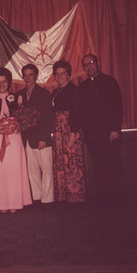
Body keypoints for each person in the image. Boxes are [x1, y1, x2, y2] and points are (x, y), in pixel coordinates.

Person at [0, 67, 32, 213]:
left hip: (14, 137)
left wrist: (17, 126)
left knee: (14, 170)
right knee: (0, 170)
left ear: (9, 83)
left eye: (4, 81)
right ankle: (1, 204)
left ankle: (15, 202)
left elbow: (22, 118)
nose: (1, 84)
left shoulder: (16, 98)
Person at [79, 54, 123, 202]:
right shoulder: (83, 86)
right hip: (92, 136)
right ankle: (103, 199)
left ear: (98, 63)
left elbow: (118, 107)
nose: (89, 66)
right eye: (85, 65)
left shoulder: (110, 82)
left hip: (109, 134)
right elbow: (83, 112)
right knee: (98, 167)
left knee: (112, 167)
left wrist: (115, 129)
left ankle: (115, 200)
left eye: (91, 63)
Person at [17, 64, 54, 204]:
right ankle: (37, 197)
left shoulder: (43, 93)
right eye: (25, 75)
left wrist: (43, 138)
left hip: (41, 138)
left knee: (46, 169)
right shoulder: (20, 94)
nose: (28, 78)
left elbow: (47, 118)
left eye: (30, 74)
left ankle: (48, 199)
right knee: (32, 170)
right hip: (27, 138)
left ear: (36, 76)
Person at [51, 60, 86, 203]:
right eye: (57, 74)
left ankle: (75, 197)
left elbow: (77, 113)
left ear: (68, 75)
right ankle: (63, 195)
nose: (59, 76)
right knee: (61, 163)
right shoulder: (55, 91)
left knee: (72, 164)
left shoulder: (74, 90)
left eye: (62, 73)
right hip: (59, 134)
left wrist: (72, 136)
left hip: (71, 131)